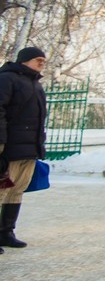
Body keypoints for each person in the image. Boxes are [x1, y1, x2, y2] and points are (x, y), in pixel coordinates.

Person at [0, 46, 49, 251]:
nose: (42, 63)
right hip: (9, 147)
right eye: (38, 60)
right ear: (24, 60)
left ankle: (6, 232)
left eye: (44, 60)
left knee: (17, 189)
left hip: (29, 149)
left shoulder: (36, 84)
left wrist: (39, 144)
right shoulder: (7, 79)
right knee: (2, 189)